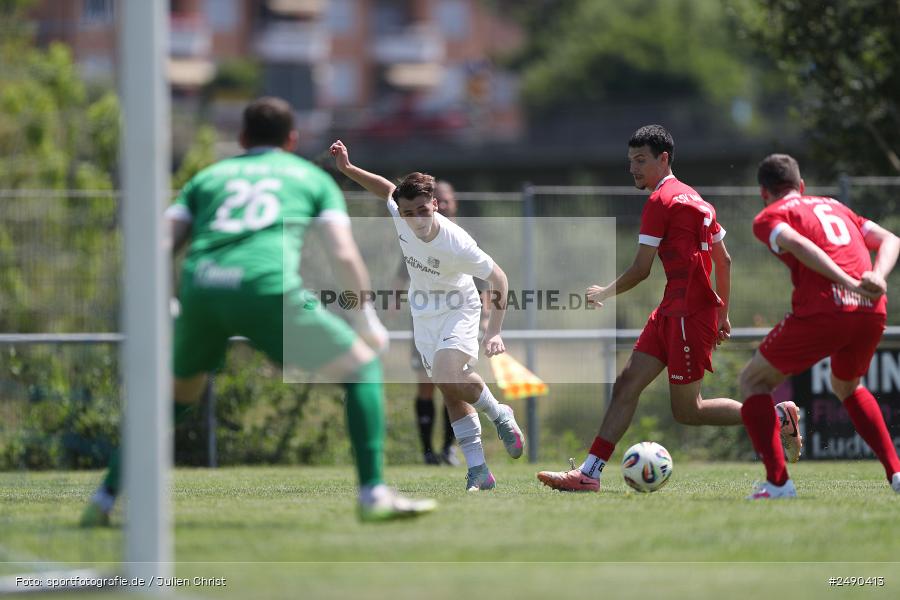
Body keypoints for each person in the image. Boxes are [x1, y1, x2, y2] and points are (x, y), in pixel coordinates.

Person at [81, 97, 436, 525]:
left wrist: (166, 303)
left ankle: (102, 501)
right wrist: (365, 321)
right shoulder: (308, 177)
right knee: (362, 367)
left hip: (202, 290)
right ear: (292, 139)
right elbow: (342, 254)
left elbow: (158, 246)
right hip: (266, 288)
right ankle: (373, 493)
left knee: (173, 401)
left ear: (242, 138)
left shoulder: (207, 178)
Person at [537, 124, 742, 492]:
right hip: (674, 311)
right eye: (630, 160)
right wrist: (722, 313)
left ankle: (773, 417)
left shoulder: (660, 202)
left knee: (688, 411)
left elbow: (640, 270)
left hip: (685, 315)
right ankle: (589, 473)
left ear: (663, 159)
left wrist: (604, 292)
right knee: (627, 383)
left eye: (641, 160)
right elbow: (724, 261)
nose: (633, 168)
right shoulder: (697, 199)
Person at [330, 139, 523, 492]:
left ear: (435, 204)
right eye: (409, 212)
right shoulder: (400, 213)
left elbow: (499, 278)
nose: (417, 219)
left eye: (423, 209)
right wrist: (347, 169)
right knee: (449, 389)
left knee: (450, 376)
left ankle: (500, 414)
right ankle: (479, 470)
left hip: (458, 309)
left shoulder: (456, 242)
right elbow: (387, 189)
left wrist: (494, 331)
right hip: (424, 312)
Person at [739, 153, 900, 499]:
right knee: (847, 385)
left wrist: (849, 282)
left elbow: (798, 244)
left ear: (763, 192)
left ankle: (778, 484)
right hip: (872, 309)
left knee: (753, 380)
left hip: (828, 309)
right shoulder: (837, 207)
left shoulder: (770, 215)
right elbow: (892, 239)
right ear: (801, 185)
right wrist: (876, 278)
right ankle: (897, 473)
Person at [397, 180, 490, 467]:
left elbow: (486, 282)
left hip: (457, 318)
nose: (444, 205)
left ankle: (452, 450)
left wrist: (486, 321)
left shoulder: (460, 239)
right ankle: (428, 451)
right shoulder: (414, 235)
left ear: (446, 204)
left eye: (447, 201)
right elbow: (402, 276)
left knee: (452, 381)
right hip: (426, 319)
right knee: (427, 384)